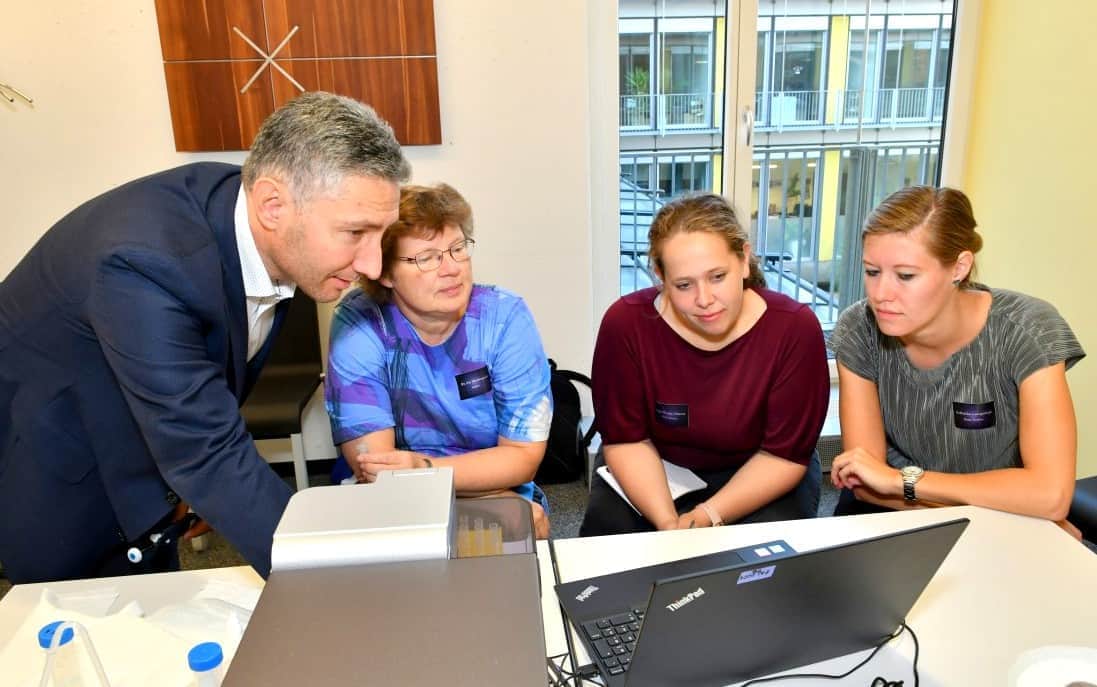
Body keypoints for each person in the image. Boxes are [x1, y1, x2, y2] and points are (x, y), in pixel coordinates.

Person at [0, 92, 410, 583]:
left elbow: (207, 399)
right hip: (56, 470)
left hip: (144, 453)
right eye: (355, 233)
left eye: (380, 236)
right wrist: (344, 583)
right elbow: (208, 452)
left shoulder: (258, 221)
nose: (372, 265)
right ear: (273, 205)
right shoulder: (144, 263)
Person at [828, 186, 1085, 534]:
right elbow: (866, 484)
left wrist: (902, 481)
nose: (880, 294)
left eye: (905, 276)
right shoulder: (859, 328)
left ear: (959, 267)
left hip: (985, 523)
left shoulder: (1028, 330)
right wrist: (1023, 511)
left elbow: (1051, 494)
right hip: (893, 520)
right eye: (872, 272)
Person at [579, 193, 829, 536]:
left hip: (762, 470)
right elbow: (626, 441)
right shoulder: (626, 325)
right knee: (608, 548)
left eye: (717, 277)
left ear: (743, 259)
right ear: (660, 277)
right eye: (684, 285)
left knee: (757, 566)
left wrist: (706, 516)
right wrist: (668, 523)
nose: (704, 300)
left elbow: (782, 456)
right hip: (653, 466)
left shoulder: (794, 329)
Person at [324, 182, 553, 537]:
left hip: (470, 486)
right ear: (384, 272)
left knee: (523, 529)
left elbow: (522, 457)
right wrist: (492, 500)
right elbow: (375, 470)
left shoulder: (504, 320)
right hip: (399, 503)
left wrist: (422, 468)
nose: (452, 269)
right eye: (427, 258)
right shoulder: (360, 325)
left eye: (458, 249)